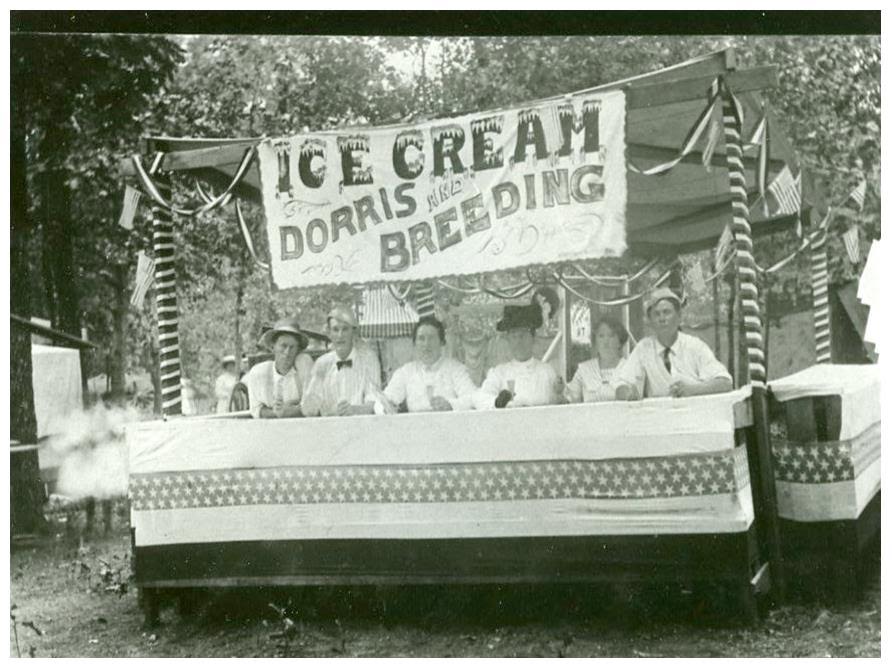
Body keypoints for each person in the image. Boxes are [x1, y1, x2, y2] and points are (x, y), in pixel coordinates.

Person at [614, 287, 732, 400]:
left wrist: (693, 390)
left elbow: (725, 382)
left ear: (679, 316)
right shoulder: (644, 348)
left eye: (667, 312)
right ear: (650, 321)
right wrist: (628, 394)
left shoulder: (694, 346)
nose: (662, 318)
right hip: (660, 417)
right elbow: (622, 384)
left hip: (694, 415)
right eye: (656, 314)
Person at [377, 315, 477, 414]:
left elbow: (473, 398)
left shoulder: (456, 369)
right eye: (421, 338)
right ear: (415, 344)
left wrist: (450, 405)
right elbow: (382, 402)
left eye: (431, 338)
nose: (426, 344)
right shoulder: (406, 372)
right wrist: (385, 408)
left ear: (442, 342)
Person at [475, 304, 562, 409]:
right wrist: (498, 402)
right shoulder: (499, 373)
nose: (518, 341)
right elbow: (480, 398)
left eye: (523, 335)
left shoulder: (546, 372)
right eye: (514, 336)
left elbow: (560, 405)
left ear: (533, 337)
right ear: (508, 340)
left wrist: (558, 394)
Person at [301, 305, 382, 417]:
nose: (340, 335)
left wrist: (354, 410)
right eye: (335, 330)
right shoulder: (322, 363)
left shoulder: (368, 359)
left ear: (353, 333)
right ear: (329, 334)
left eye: (345, 329)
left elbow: (375, 401)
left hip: (361, 426)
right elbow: (310, 409)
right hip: (330, 428)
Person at [241, 317, 314, 418]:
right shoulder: (259, 373)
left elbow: (313, 408)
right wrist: (275, 413)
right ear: (273, 347)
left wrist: (289, 412)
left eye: (292, 347)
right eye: (283, 346)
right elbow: (256, 409)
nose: (287, 352)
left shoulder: (304, 371)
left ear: (298, 350)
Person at [565, 317, 628, 403]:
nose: (605, 341)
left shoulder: (630, 367)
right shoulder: (584, 369)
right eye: (601, 336)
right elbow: (569, 400)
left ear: (620, 341)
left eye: (611, 335)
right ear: (595, 341)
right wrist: (559, 391)